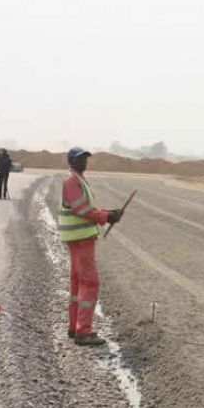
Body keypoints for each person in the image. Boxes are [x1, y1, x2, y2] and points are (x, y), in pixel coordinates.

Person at [59, 147, 123, 346]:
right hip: (80, 239)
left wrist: (108, 212)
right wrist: (105, 217)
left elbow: (88, 208)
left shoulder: (77, 179)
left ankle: (74, 327)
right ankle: (83, 332)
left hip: (79, 238)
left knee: (78, 284)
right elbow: (81, 209)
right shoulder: (72, 180)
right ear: (72, 161)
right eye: (80, 159)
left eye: (85, 158)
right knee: (90, 283)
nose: (84, 162)